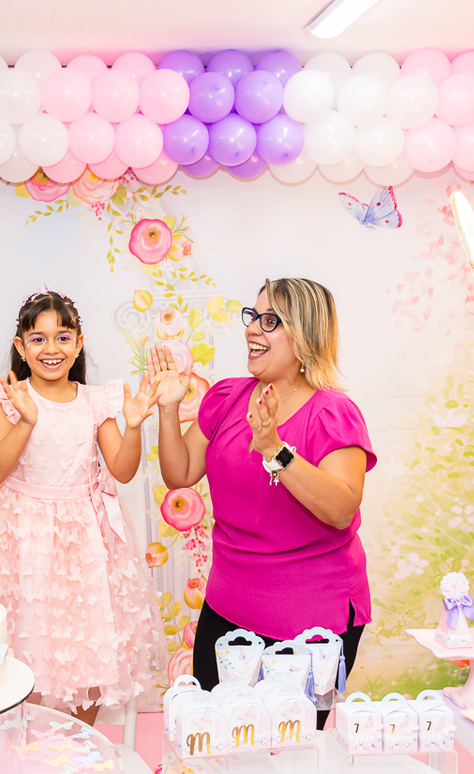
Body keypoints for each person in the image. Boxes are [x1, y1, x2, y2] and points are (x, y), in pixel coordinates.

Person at [148, 277, 376, 727]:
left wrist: (275, 448)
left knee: (285, 752)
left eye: (270, 321)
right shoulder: (228, 397)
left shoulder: (332, 412)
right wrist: (169, 408)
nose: (253, 329)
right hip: (227, 607)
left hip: (311, 620)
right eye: (253, 316)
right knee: (217, 738)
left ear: (305, 334)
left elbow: (340, 508)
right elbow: (180, 473)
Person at [0, 290, 163, 725]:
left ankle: (81, 746)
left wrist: (134, 426)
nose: (51, 349)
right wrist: (26, 419)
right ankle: (26, 745)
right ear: (21, 347)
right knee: (27, 645)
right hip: (23, 537)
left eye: (63, 338)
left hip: (82, 541)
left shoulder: (95, 401)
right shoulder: (9, 396)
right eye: (38, 339)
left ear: (79, 344)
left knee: (88, 646)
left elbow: (121, 468)